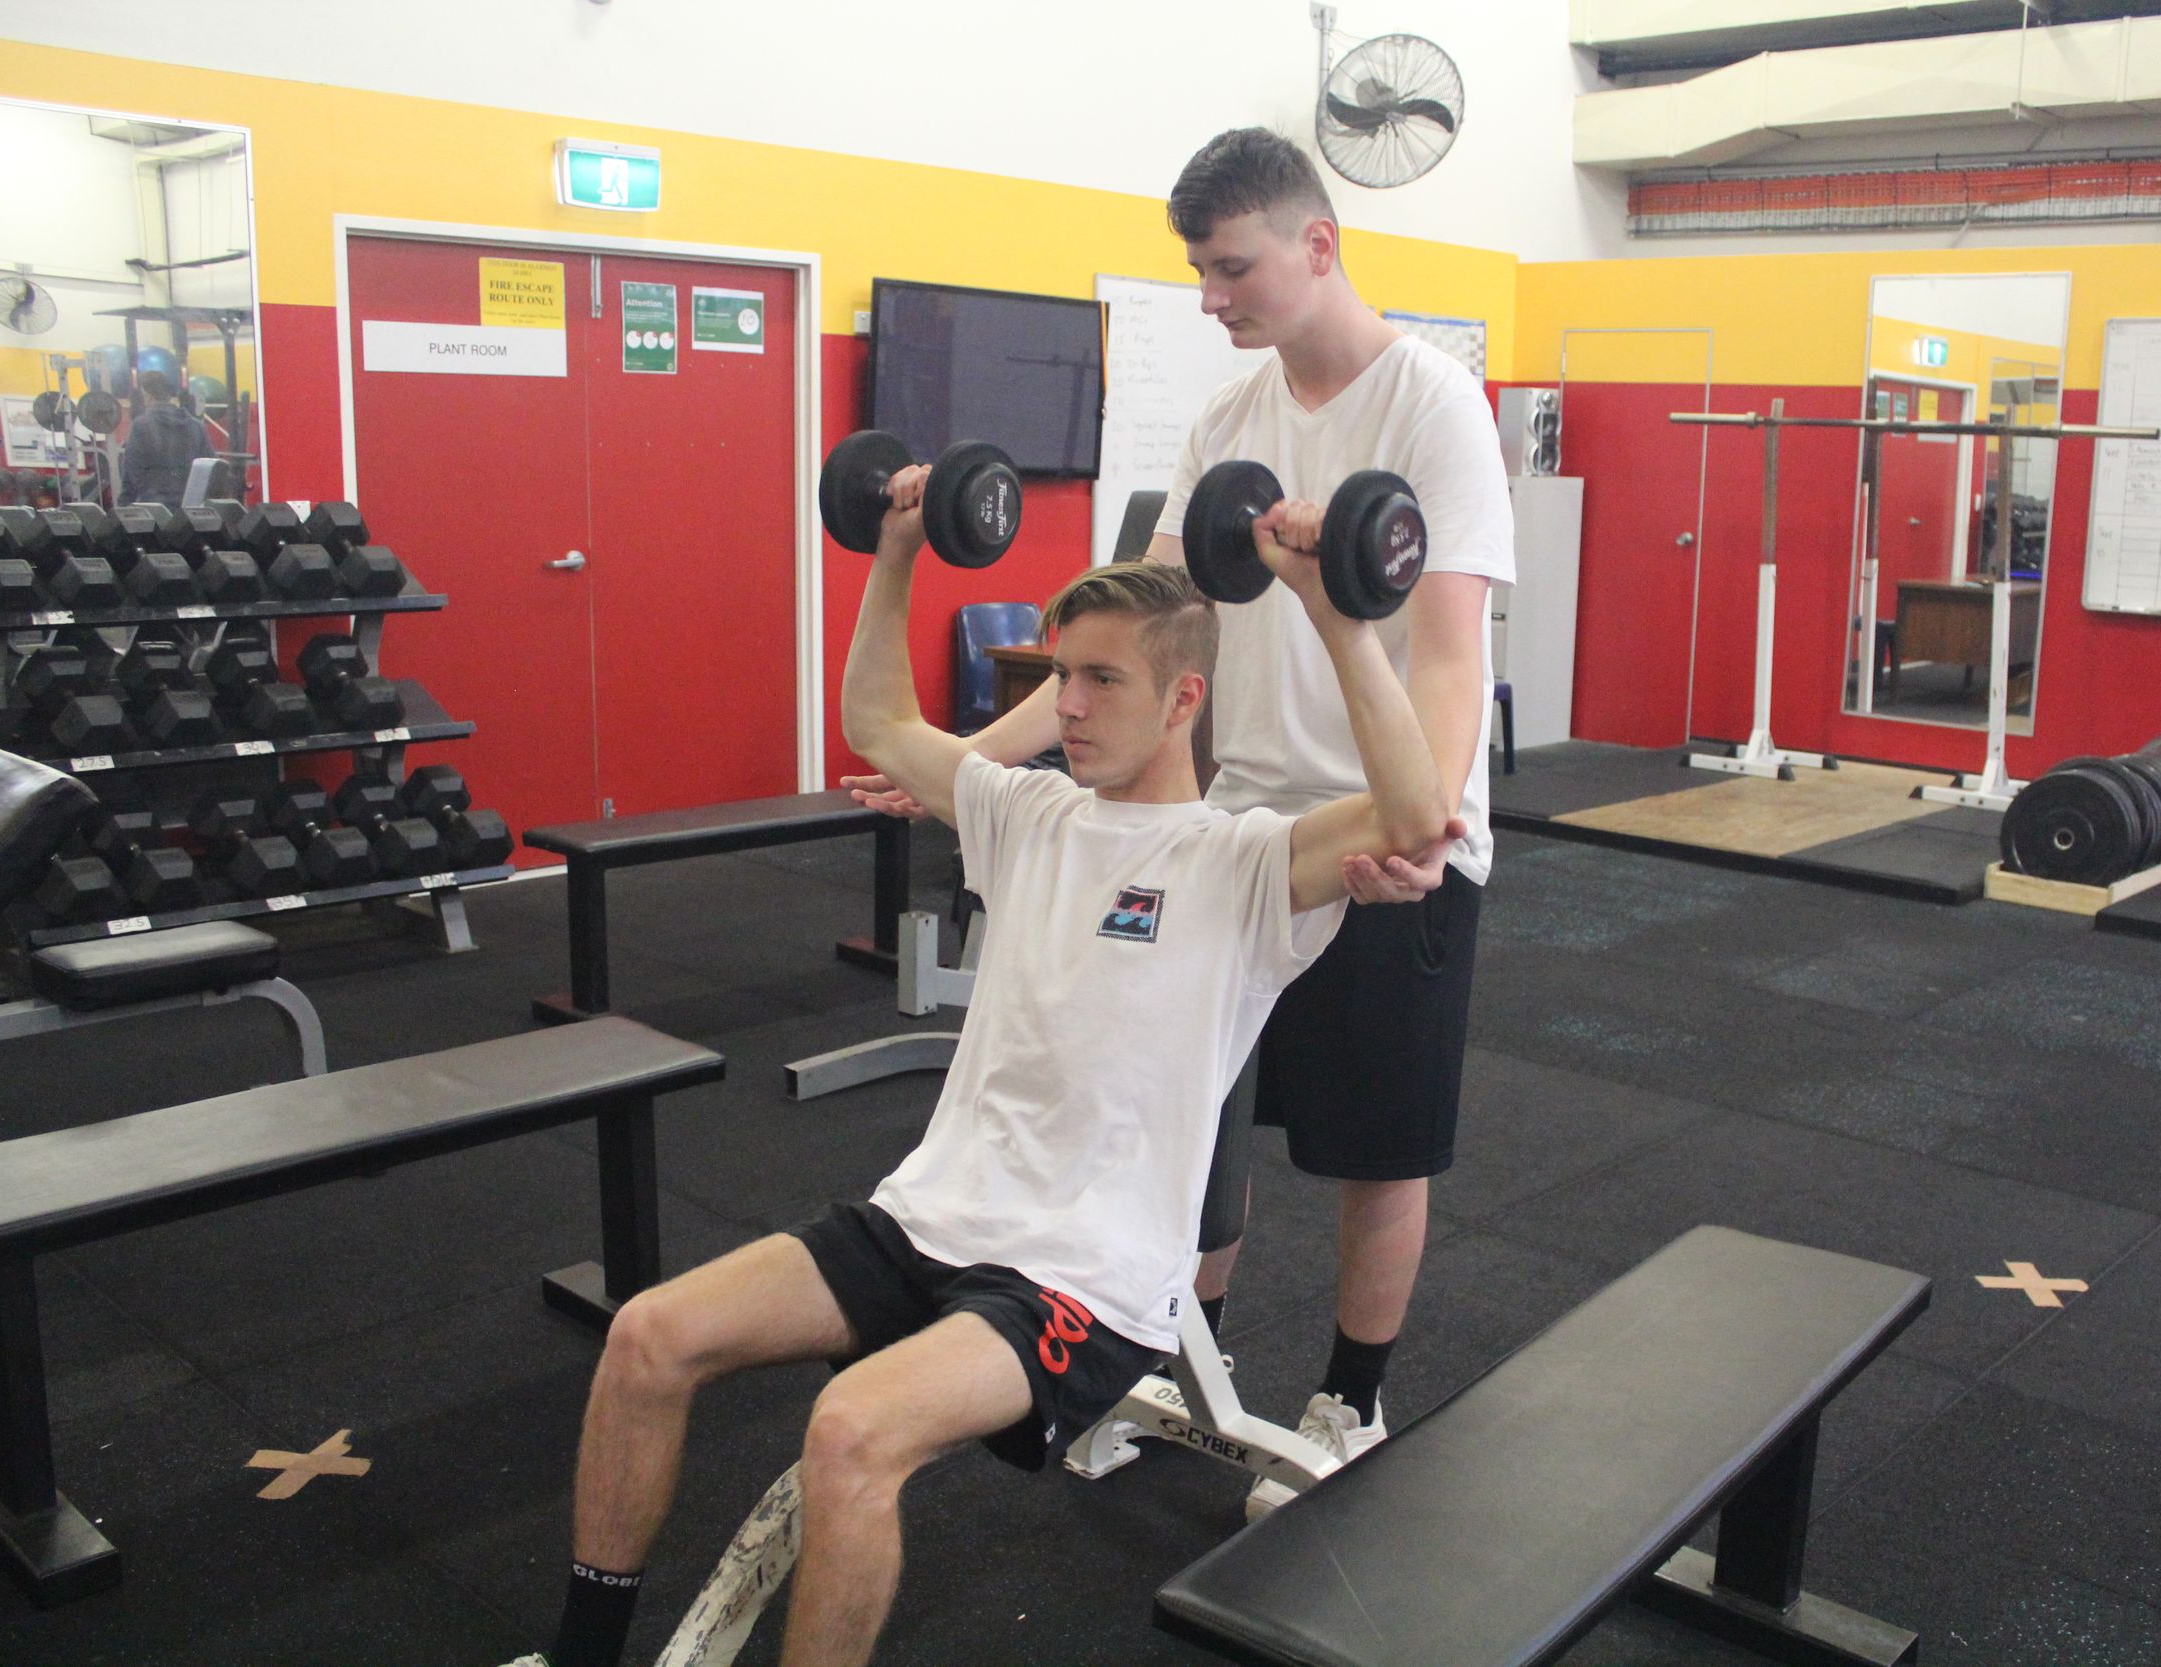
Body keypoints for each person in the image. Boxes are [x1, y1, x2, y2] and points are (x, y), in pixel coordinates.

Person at [506, 461, 1454, 1667]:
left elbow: (1411, 815)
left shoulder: (1244, 861)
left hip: (1084, 1274)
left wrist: (1335, 615)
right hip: (933, 1212)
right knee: (647, 1334)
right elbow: (878, 724)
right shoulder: (1026, 814)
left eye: (1102, 679)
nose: (1069, 704)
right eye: (1062, 675)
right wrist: (897, 546)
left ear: (1183, 699)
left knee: (850, 1429)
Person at [847, 128, 1512, 1515]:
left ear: (1316, 246)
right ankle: (1165, 1362)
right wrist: (967, 761)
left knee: (1373, 1142)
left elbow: (1452, 653)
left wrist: (1426, 826)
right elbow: (1136, 630)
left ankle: (1351, 1398)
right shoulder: (1227, 421)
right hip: (1235, 832)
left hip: (1383, 833)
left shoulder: (1433, 406)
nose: (1211, 296)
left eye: (1231, 268)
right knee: (1193, 1116)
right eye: (1200, 271)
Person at [118, 369, 213, 505]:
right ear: (169, 395)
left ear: (147, 396)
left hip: (154, 508)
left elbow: (131, 472)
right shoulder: (197, 426)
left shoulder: (140, 426)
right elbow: (210, 469)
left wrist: (123, 506)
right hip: (190, 509)